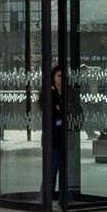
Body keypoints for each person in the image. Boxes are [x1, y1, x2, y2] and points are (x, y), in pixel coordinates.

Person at [48, 64, 67, 203]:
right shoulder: (49, 93)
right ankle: (46, 198)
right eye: (59, 76)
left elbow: (75, 110)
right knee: (53, 167)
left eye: (63, 76)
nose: (61, 79)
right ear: (53, 78)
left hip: (66, 135)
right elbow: (52, 112)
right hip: (53, 136)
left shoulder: (68, 92)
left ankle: (63, 199)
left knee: (64, 168)